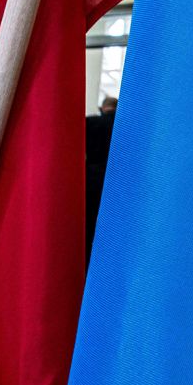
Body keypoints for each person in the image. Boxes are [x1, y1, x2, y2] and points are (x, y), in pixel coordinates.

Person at [85, 96, 118, 262]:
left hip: (91, 178)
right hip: (116, 181)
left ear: (103, 108)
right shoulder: (124, 128)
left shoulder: (90, 123)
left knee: (89, 221)